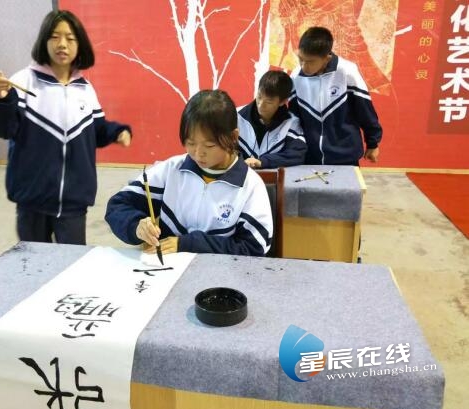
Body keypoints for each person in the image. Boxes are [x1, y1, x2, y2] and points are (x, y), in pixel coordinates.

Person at [0, 10, 131, 245]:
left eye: (70, 38)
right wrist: (0, 98)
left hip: (74, 200)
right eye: (55, 37)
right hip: (32, 199)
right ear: (44, 41)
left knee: (72, 261)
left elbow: (95, 129)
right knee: (33, 260)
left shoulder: (85, 89)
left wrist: (116, 131)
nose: (62, 44)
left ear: (80, 44)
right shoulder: (23, 81)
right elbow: (3, 128)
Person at [105, 90, 273, 257]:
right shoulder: (172, 170)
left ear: (233, 137)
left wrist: (188, 244)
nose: (198, 154)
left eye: (209, 146)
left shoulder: (250, 186)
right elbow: (117, 206)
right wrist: (136, 226)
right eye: (190, 143)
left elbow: (253, 248)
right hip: (166, 268)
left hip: (220, 272)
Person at [289, 26, 382, 166]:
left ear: (327, 58)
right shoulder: (296, 77)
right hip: (309, 156)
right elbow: (294, 117)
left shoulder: (347, 72)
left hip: (345, 156)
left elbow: (365, 110)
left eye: (310, 62)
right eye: (300, 59)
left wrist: (373, 143)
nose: (303, 66)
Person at [238, 70, 307, 168]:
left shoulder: (291, 123)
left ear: (282, 102)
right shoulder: (236, 117)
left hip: (276, 177)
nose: (261, 105)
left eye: (269, 102)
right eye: (259, 97)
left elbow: (297, 154)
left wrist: (263, 162)